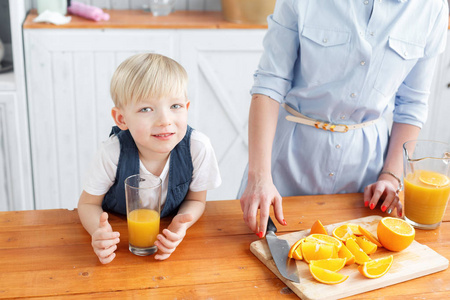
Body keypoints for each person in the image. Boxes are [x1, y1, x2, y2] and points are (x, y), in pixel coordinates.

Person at [238, 0, 449, 237]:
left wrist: (390, 175)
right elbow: (269, 82)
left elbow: (412, 104)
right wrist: (259, 177)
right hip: (285, 165)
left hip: (365, 177)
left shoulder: (431, 8)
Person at [78, 53, 221, 263]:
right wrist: (98, 232)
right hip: (123, 243)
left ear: (186, 108)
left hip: (170, 247)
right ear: (121, 118)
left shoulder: (197, 147)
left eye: (175, 106)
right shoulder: (112, 153)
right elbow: (87, 205)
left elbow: (196, 199)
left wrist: (180, 224)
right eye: (146, 109)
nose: (165, 120)